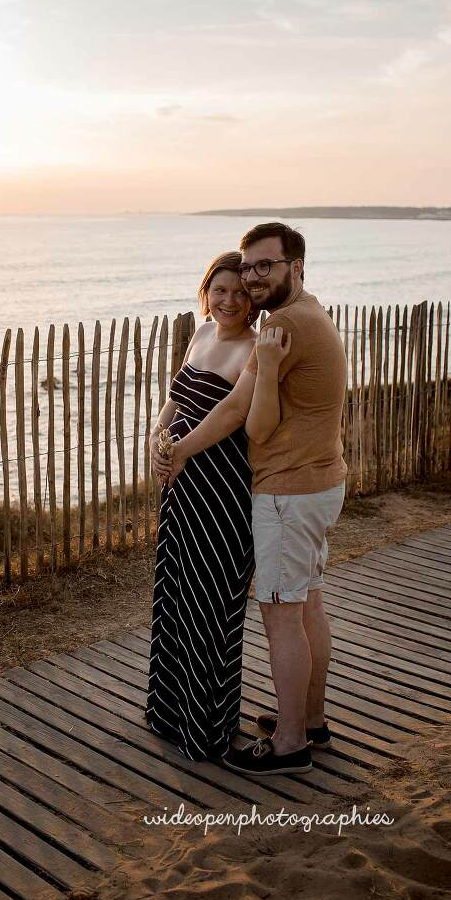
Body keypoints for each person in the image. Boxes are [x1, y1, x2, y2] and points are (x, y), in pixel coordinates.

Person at [153, 223, 347, 776]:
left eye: (266, 267)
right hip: (314, 482)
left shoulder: (282, 327)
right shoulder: (307, 314)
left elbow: (248, 420)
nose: (253, 280)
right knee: (306, 602)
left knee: (282, 613)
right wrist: (166, 441)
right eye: (248, 266)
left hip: (287, 489)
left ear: (296, 266)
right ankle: (310, 721)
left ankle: (289, 745)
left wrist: (180, 450)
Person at [145, 251, 259, 760]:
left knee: (211, 606)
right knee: (175, 597)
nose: (229, 300)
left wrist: (181, 451)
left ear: (253, 301)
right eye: (220, 290)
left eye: (239, 292)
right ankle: (169, 714)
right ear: (206, 292)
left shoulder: (255, 351)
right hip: (181, 487)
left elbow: (233, 418)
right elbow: (176, 398)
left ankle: (206, 728)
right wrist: (156, 437)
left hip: (221, 492)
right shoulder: (201, 334)